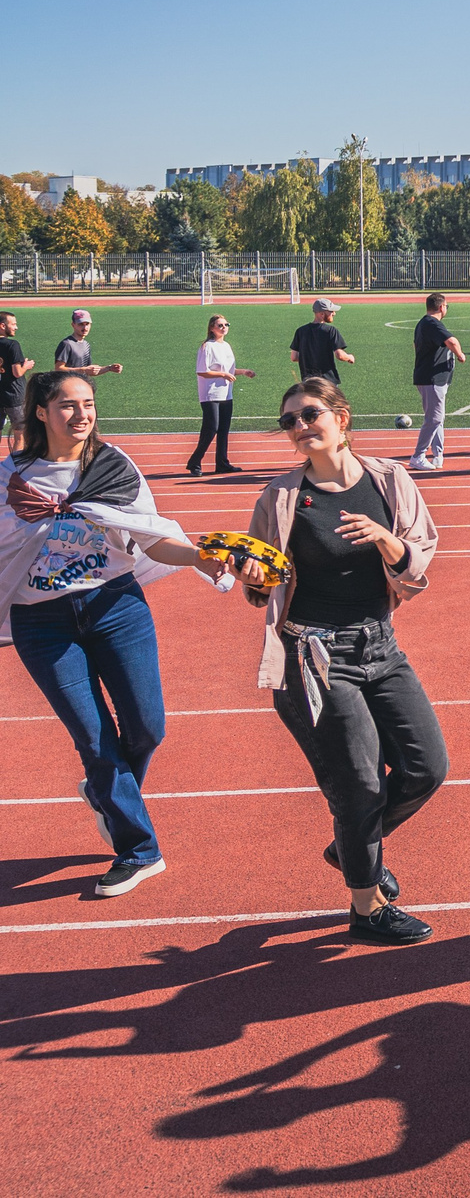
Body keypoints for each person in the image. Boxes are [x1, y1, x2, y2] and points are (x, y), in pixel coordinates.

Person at [231, 377, 448, 943]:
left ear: (341, 418)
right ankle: (366, 906)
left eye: (309, 415)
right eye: (289, 421)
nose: (300, 427)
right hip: (312, 654)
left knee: (427, 768)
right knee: (358, 785)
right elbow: (263, 584)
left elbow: (417, 565)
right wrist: (252, 577)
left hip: (380, 644)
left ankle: (351, 845)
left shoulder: (389, 480)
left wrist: (384, 537)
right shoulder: (279, 496)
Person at [4, 370, 231, 896]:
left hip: (115, 607)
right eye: (67, 404)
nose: (81, 414)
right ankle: (138, 849)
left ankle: (106, 793)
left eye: (88, 403)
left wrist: (199, 555)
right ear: (41, 411)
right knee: (94, 739)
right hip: (41, 622)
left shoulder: (112, 466)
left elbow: (149, 539)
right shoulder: (10, 478)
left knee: (147, 728)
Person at [186, 313, 253, 475]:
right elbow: (202, 371)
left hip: (226, 393)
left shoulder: (226, 346)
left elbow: (228, 370)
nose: (224, 328)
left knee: (224, 429)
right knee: (211, 428)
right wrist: (223, 375)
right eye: (220, 325)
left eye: (226, 325)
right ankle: (194, 462)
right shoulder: (207, 347)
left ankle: (222, 463)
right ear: (212, 328)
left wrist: (243, 372)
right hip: (210, 393)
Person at [410, 294, 465, 472]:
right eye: (447, 306)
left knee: (437, 418)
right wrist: (460, 355)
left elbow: (415, 345)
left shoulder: (423, 324)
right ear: (441, 307)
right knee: (434, 419)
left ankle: (438, 455)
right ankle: (418, 456)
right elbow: (452, 341)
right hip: (431, 378)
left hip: (434, 378)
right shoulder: (432, 324)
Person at [288, 297, 353, 384]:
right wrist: (349, 357)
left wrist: (310, 357)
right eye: (331, 311)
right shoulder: (331, 331)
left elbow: (294, 357)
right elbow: (339, 355)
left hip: (308, 382)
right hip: (327, 382)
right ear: (322, 314)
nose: (334, 313)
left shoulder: (301, 331)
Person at [53, 309, 122, 381]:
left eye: (87, 324)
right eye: (81, 324)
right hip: (67, 387)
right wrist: (83, 370)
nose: (85, 328)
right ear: (73, 325)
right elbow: (58, 369)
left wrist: (109, 368)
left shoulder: (86, 344)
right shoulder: (67, 344)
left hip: (82, 386)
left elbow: (89, 371)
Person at [0, 311, 26, 449]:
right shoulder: (12, 345)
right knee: (20, 435)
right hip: (14, 396)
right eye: (13, 324)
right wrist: (26, 366)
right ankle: (16, 467)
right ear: (3, 326)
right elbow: (17, 373)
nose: (16, 327)